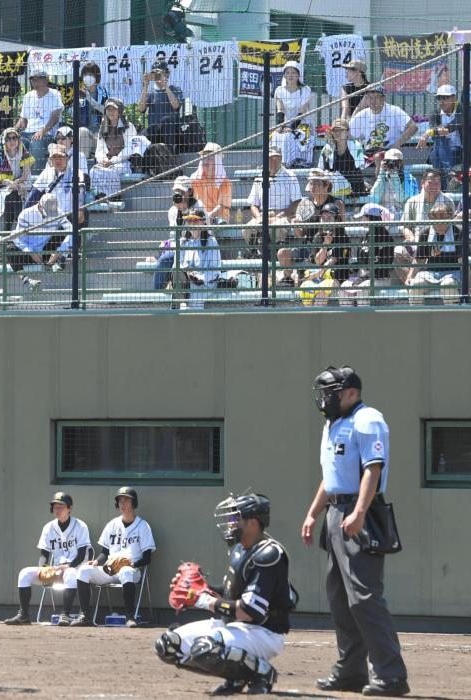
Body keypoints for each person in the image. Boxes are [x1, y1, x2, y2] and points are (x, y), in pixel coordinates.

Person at [302, 366, 409, 697]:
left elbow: (372, 470)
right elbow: (331, 477)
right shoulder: (332, 424)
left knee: (364, 598)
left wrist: (360, 512)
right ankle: (351, 671)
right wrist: (313, 513)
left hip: (361, 511)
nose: (325, 399)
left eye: (331, 392)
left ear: (351, 392)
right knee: (339, 598)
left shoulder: (368, 419)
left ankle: (391, 675)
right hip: (336, 512)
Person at [156, 493, 295, 695]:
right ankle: (237, 675)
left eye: (235, 519)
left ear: (253, 523)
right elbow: (232, 595)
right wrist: (197, 591)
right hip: (234, 626)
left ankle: (263, 673)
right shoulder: (240, 549)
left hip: (263, 632)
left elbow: (249, 611)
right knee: (168, 645)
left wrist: (204, 600)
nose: (230, 524)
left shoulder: (269, 554)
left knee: (205, 648)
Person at [71, 487, 155, 628]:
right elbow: (105, 552)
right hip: (110, 569)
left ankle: (130, 617)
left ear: (134, 503)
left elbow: (147, 558)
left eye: (126, 500)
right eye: (120, 500)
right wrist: (97, 561)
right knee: (83, 570)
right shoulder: (112, 524)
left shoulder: (143, 526)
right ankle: (85, 616)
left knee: (126, 571)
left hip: (132, 571)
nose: (123, 503)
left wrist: (132, 564)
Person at [3, 491, 90, 626]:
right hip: (55, 569)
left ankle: (65, 615)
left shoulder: (80, 526)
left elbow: (82, 555)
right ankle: (24, 615)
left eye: (61, 507)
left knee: (71, 573)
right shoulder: (49, 527)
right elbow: (44, 554)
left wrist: (67, 566)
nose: (57, 510)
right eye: (55, 506)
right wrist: (43, 568)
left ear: (69, 508)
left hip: (75, 568)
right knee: (24, 573)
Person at [395, 168, 450, 286]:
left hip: (440, 242)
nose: (434, 186)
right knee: (397, 252)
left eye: (437, 183)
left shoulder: (448, 201)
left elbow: (451, 227)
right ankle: (410, 284)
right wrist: (412, 239)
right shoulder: (412, 201)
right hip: (417, 241)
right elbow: (405, 226)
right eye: (430, 183)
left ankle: (421, 281)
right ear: (423, 183)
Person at [340, 203, 396, 304]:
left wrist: (363, 278)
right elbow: (361, 261)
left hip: (380, 279)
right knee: (344, 287)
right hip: (363, 277)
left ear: (371, 218)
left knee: (362, 289)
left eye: (363, 217)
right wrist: (354, 271)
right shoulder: (366, 235)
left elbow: (383, 268)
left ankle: (363, 314)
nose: (361, 219)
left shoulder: (385, 238)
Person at [406, 201, 461, 304]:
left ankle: (452, 314)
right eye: (434, 218)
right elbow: (419, 260)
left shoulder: (458, 232)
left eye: (442, 218)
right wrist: (410, 276)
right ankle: (416, 313)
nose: (438, 222)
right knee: (415, 285)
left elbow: (463, 261)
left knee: (448, 285)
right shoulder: (425, 233)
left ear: (449, 218)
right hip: (430, 273)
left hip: (453, 272)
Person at [298, 203, 351, 305]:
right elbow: (318, 261)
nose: (326, 220)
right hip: (319, 277)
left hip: (336, 277)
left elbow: (332, 261)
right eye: (323, 218)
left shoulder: (343, 237)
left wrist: (316, 275)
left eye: (329, 217)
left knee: (321, 293)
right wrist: (325, 245)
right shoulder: (318, 237)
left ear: (336, 219)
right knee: (307, 289)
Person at [15, 69, 64, 172]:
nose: (35, 82)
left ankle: (35, 177)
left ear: (46, 80)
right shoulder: (28, 96)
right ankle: (17, 176)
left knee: (37, 144)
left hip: (47, 134)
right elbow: (23, 119)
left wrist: (42, 131)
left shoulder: (55, 94)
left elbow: (55, 118)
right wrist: (13, 130)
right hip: (28, 133)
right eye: (33, 80)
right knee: (15, 142)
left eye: (37, 80)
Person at [89, 98, 138, 199]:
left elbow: (129, 150)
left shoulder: (129, 127)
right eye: (108, 109)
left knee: (112, 171)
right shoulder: (103, 127)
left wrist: (113, 161)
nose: (111, 112)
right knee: (93, 171)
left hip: (124, 162)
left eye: (114, 109)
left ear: (119, 111)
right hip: (107, 162)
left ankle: (114, 198)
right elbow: (99, 149)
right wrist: (103, 160)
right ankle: (98, 198)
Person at [348, 86, 417, 158]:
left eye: (376, 97)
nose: (372, 101)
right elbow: (348, 134)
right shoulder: (362, 115)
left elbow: (413, 127)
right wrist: (358, 149)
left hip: (390, 152)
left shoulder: (394, 111)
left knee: (392, 155)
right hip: (369, 154)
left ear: (383, 98)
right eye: (370, 97)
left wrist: (396, 145)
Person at [10, 192, 73, 270]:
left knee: (65, 231)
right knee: (10, 248)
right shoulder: (25, 214)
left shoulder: (59, 213)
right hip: (28, 252)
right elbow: (18, 238)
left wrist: (59, 251)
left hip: (46, 250)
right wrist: (30, 252)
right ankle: (23, 274)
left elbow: (71, 230)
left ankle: (58, 260)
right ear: (40, 206)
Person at [418, 84, 463, 188]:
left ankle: (442, 190)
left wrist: (429, 133)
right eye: (439, 98)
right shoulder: (435, 113)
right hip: (443, 151)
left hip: (461, 151)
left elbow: (456, 124)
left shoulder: (462, 109)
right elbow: (435, 130)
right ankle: (450, 175)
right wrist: (435, 131)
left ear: (454, 98)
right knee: (437, 148)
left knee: (436, 152)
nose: (442, 101)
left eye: (445, 98)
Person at [272, 61, 314, 168]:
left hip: (302, 124)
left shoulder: (305, 90)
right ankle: (278, 163)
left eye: (293, 72)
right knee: (276, 135)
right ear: (284, 75)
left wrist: (291, 128)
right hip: (285, 125)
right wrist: (281, 126)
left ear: (298, 75)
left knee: (295, 135)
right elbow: (280, 110)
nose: (290, 75)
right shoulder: (279, 91)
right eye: (288, 73)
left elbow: (302, 111)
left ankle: (300, 161)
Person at [176, 211, 221, 309]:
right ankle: (181, 308)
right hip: (185, 282)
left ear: (203, 222)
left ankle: (192, 316)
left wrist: (199, 278)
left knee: (195, 291)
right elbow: (177, 265)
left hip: (206, 283)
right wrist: (188, 273)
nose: (192, 223)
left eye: (195, 220)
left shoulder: (211, 241)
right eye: (189, 221)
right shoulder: (183, 242)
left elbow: (215, 270)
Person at [0, 127, 35, 231]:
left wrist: (16, 184)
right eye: (8, 139)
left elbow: (25, 176)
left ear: (18, 139)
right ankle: (18, 225)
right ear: (4, 141)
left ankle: (8, 229)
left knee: (15, 193)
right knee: (11, 195)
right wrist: (13, 185)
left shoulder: (23, 151)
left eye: (14, 138)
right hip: (6, 186)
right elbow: (1, 179)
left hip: (23, 183)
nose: (12, 141)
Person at [136, 61, 183, 153]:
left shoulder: (175, 89)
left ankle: (170, 153)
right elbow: (141, 109)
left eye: (160, 73)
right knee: (140, 136)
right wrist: (145, 86)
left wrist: (165, 85)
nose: (158, 76)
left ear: (167, 74)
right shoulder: (151, 92)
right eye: (155, 73)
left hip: (171, 131)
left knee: (166, 120)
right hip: (155, 131)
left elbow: (176, 106)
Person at [318, 119, 367, 197]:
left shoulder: (356, 146)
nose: (338, 133)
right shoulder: (327, 148)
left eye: (341, 130)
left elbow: (359, 169)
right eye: (335, 130)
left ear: (348, 132)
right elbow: (321, 170)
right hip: (332, 191)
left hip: (355, 191)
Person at [367, 149, 418, 220]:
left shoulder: (409, 178)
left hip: (402, 215)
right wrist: (381, 174)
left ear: (401, 163)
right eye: (389, 161)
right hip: (382, 215)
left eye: (395, 162)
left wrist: (395, 177)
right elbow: (375, 195)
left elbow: (401, 199)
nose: (392, 164)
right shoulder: (383, 177)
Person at [190, 143, 232, 225]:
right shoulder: (194, 179)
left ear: (217, 161)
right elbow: (191, 202)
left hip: (218, 220)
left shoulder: (225, 182)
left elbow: (222, 206)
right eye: (204, 157)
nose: (206, 161)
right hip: (198, 218)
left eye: (210, 158)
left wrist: (208, 216)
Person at [77, 61, 110, 158]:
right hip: (85, 132)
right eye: (85, 75)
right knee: (82, 132)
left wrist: (90, 99)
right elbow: (72, 114)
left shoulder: (103, 92)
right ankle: (82, 164)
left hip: (100, 132)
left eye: (90, 74)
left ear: (96, 76)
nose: (87, 77)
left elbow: (107, 111)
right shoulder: (80, 92)